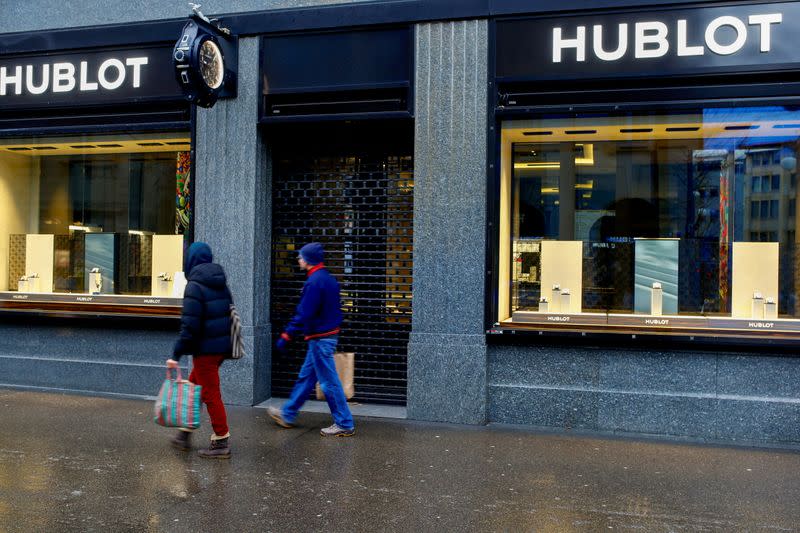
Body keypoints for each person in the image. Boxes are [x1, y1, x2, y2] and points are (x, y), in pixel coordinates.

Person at [268, 242, 355, 437]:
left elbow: (304, 313)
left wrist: (286, 335)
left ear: (308, 260)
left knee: (329, 382)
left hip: (320, 340)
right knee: (306, 378)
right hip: (324, 337)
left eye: (301, 256)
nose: (298, 259)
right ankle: (288, 414)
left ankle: (344, 423)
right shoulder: (328, 278)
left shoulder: (315, 281)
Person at [167, 241, 234, 458]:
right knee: (195, 389)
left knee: (210, 394)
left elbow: (190, 325)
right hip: (220, 347)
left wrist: (176, 354)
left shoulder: (194, 285)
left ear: (191, 260)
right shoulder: (220, 282)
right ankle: (184, 434)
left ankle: (221, 441)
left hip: (205, 350)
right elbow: (229, 312)